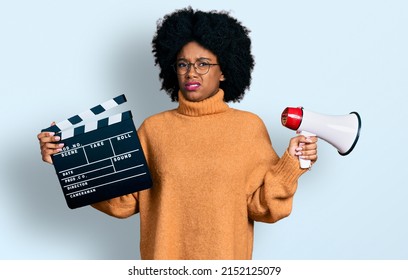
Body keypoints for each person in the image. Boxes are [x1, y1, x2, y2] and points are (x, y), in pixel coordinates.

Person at [37, 7, 318, 260]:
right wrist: (67, 160)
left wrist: (291, 165)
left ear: (224, 71)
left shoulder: (248, 128)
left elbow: (263, 208)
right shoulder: (153, 129)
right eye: (183, 64)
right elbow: (123, 203)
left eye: (203, 64)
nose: (191, 73)